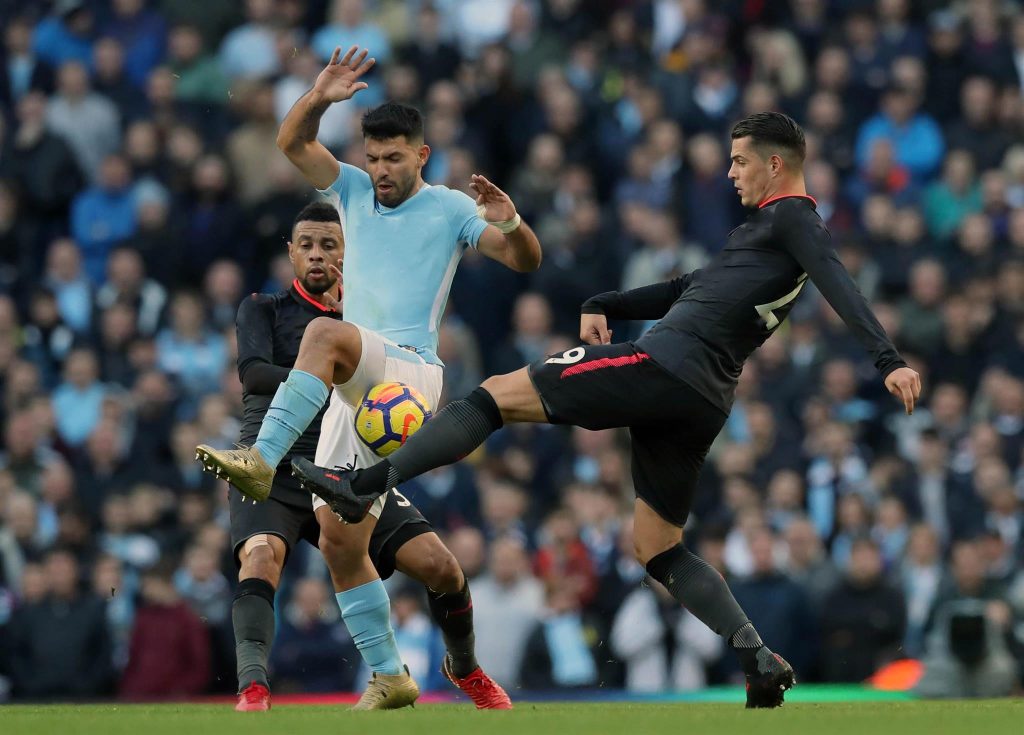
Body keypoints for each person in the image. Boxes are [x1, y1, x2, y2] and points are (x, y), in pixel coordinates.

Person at [293, 112, 923, 708]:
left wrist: (886, 359)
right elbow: (690, 288)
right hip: (704, 398)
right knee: (657, 547)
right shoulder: (764, 231)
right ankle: (755, 654)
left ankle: (363, 483)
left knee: (494, 395)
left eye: (739, 162)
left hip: (664, 367)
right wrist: (607, 300)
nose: (731, 172)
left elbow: (838, 281)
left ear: (776, 164)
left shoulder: (795, 221)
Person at [197, 46, 540, 709]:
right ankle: (392, 673)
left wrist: (512, 221)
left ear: (422, 154)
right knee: (343, 540)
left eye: (394, 157)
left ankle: (261, 461)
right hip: (356, 394)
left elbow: (522, 260)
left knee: (325, 334)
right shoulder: (350, 190)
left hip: (409, 375)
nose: (381, 170)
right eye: (374, 157)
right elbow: (291, 140)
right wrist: (320, 95)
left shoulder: (447, 209)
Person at [221, 203, 507, 711]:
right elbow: (255, 376)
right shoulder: (263, 309)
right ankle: (254, 688)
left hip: (344, 467)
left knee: (441, 567)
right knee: (260, 556)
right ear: (290, 252)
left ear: (349, 253)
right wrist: (327, 369)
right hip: (277, 465)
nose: (316, 255)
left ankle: (466, 669)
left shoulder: (369, 324)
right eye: (306, 244)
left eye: (329, 245)